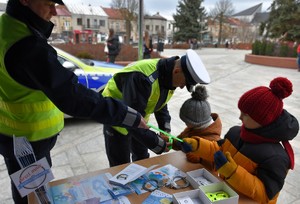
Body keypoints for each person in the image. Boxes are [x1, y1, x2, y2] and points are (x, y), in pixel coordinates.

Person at [0, 0, 147, 203]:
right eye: (47, 3)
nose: (54, 11)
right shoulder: (27, 45)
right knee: (33, 196)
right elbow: (72, 96)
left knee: (31, 190)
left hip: (16, 135)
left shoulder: (6, 26)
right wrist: (125, 114)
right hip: (27, 141)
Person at [182, 77, 299, 203]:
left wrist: (232, 172)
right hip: (227, 195)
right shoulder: (236, 133)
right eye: (241, 111)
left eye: (245, 114)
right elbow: (219, 150)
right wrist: (198, 145)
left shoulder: (276, 157)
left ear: (262, 120)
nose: (240, 116)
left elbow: (265, 194)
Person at [102, 49, 211, 167]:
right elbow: (131, 119)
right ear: (177, 71)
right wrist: (157, 143)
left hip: (140, 121)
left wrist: (165, 131)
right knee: (120, 166)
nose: (181, 87)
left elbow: (160, 104)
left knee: (142, 159)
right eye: (184, 83)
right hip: (116, 118)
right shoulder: (142, 78)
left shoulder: (169, 76)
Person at [172, 85, 222, 168]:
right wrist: (171, 141)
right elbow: (180, 141)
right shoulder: (191, 129)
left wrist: (199, 159)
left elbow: (214, 165)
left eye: (186, 122)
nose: (185, 123)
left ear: (196, 123)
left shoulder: (214, 140)